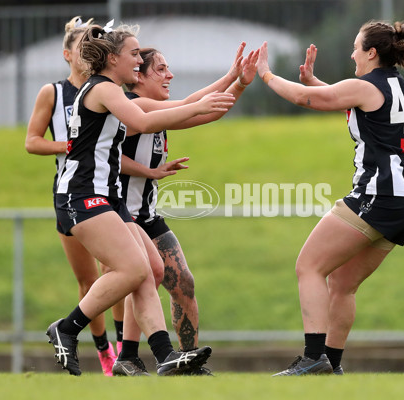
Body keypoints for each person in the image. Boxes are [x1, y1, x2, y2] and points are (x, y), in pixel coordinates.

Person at [45, 20, 235, 376]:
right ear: (112, 57)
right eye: (134, 53)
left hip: (106, 197)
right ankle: (67, 329)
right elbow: (147, 122)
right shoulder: (103, 89)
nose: (138, 59)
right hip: (82, 194)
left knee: (151, 270)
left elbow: (167, 110)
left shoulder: (111, 91)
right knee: (132, 269)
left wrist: (225, 84)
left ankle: (164, 356)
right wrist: (200, 105)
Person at [255, 18, 404, 375]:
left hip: (379, 194)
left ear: (371, 53)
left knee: (309, 266)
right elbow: (354, 108)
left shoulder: (365, 85)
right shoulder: (394, 85)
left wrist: (266, 73)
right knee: (342, 284)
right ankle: (331, 365)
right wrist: (317, 83)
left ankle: (312, 358)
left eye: (356, 47)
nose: (352, 52)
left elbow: (305, 100)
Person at [110, 44, 259, 376]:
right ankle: (121, 352)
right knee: (141, 280)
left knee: (183, 284)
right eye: (161, 69)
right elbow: (190, 105)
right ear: (138, 76)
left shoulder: (157, 112)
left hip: (147, 215)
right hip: (120, 217)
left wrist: (240, 83)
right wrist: (231, 75)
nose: (170, 75)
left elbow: (207, 112)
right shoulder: (135, 107)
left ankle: (187, 360)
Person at [25, 16, 124, 376]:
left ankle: (124, 351)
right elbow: (32, 141)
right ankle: (104, 350)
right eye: (80, 46)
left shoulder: (107, 89)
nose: (88, 51)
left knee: (119, 269)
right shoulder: (53, 92)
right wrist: (67, 145)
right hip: (71, 191)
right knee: (89, 279)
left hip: (105, 189)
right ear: (67, 54)